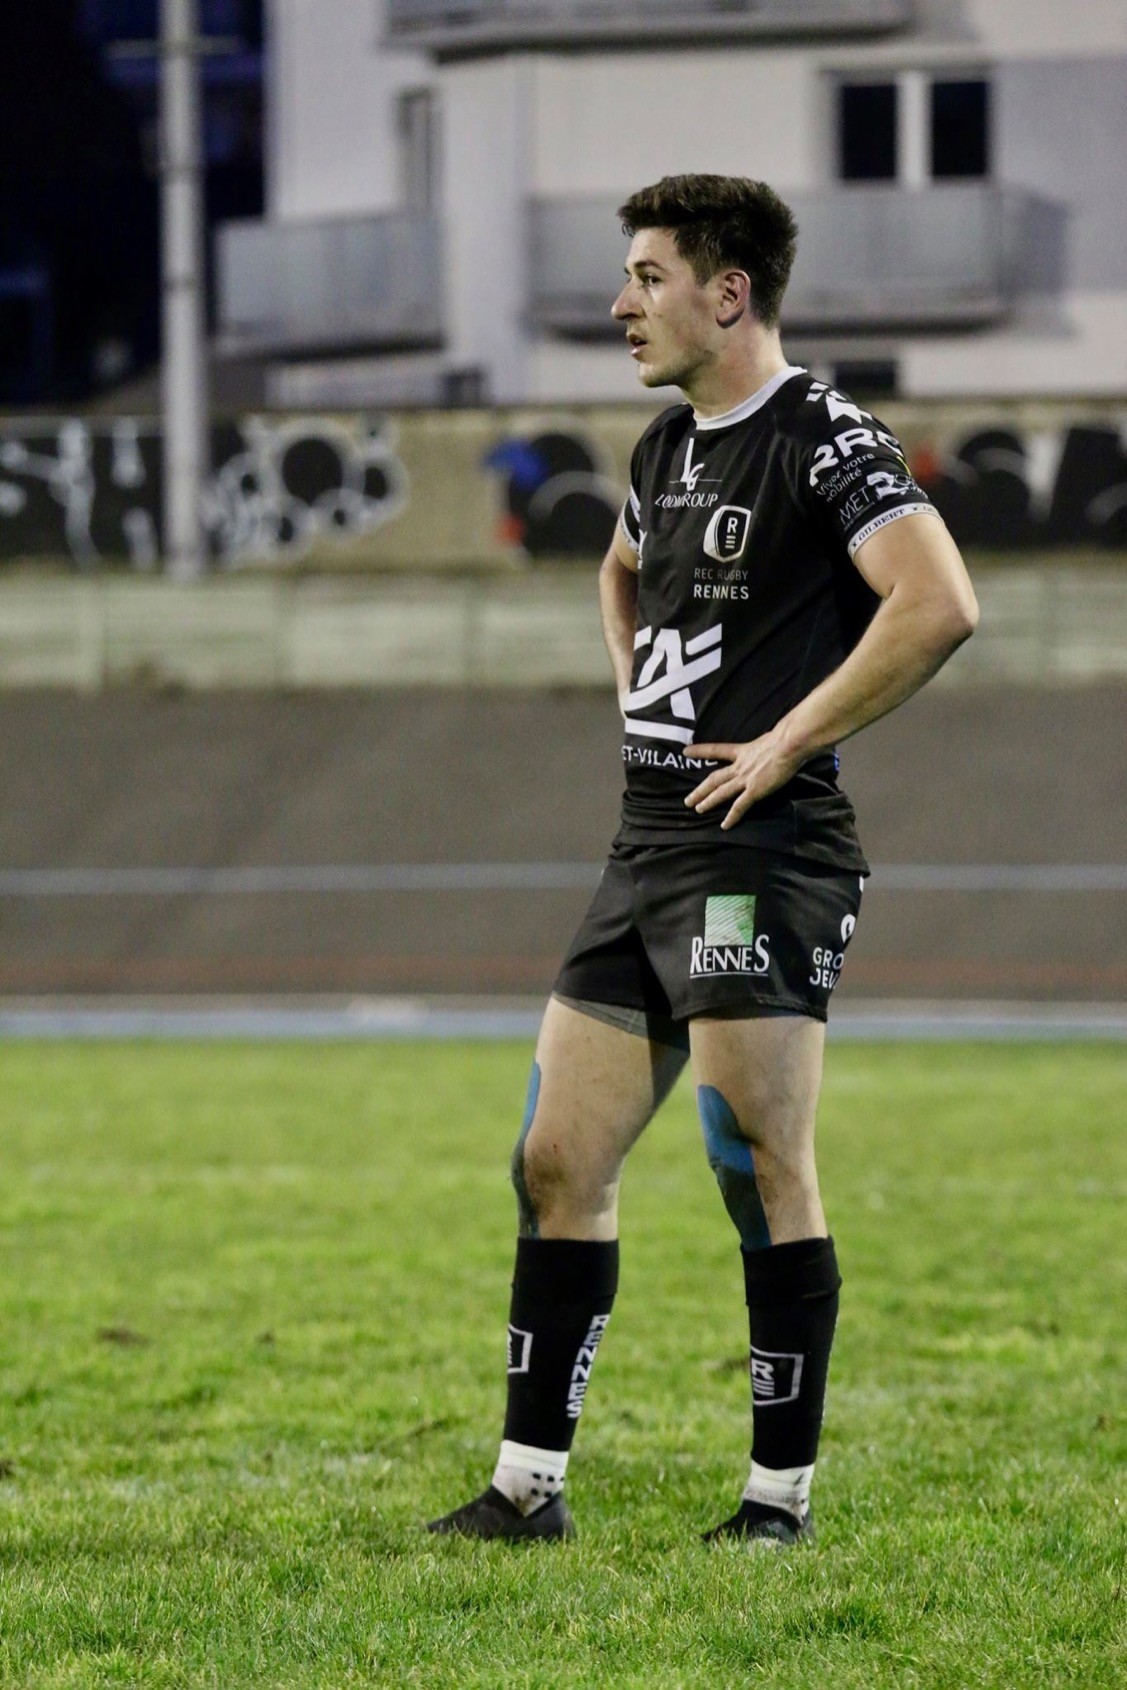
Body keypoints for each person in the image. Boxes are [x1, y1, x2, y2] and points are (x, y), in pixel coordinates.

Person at [428, 174, 977, 1545]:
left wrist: (787, 740)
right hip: (648, 844)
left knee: (754, 1157)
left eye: (648, 276)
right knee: (556, 1159)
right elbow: (618, 571)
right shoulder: (666, 446)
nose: (623, 303)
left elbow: (938, 602)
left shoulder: (822, 436)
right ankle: (527, 1489)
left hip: (764, 851)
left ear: (728, 295)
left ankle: (776, 1503)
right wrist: (638, 690)